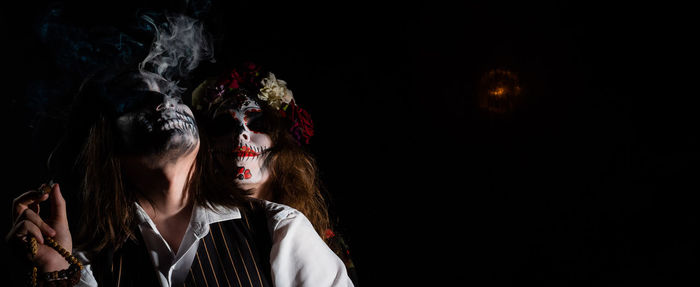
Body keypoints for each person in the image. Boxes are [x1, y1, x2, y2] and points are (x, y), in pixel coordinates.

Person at [6, 15, 353, 287]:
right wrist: (56, 271)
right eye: (139, 100)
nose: (163, 100)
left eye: (170, 89)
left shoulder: (277, 228)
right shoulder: (86, 264)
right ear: (107, 143)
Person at [191, 63, 358, 284]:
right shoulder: (195, 233)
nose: (241, 134)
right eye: (225, 126)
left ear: (282, 144)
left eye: (258, 124)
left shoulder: (320, 238)